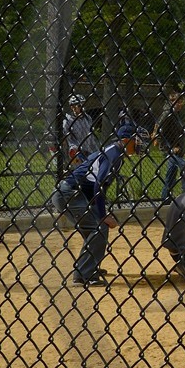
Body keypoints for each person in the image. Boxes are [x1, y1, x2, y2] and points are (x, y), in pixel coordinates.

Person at [59, 122, 148, 285]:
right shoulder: (114, 155)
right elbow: (98, 184)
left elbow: (95, 184)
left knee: (93, 227)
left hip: (76, 194)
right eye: (137, 139)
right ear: (126, 139)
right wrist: (102, 215)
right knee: (98, 226)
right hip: (70, 194)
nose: (140, 143)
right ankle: (84, 275)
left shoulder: (115, 152)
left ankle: (88, 266)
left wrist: (100, 212)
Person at [155, 91, 185, 202]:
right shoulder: (167, 114)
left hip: (177, 149)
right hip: (170, 150)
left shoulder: (175, 114)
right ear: (173, 102)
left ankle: (166, 197)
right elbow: (159, 133)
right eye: (179, 102)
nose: (181, 105)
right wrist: (169, 149)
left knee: (171, 174)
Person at [61, 93, 95, 166]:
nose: (82, 107)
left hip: (88, 150)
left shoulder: (88, 118)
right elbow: (65, 139)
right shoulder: (68, 120)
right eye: (79, 105)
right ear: (72, 107)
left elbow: (91, 136)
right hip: (75, 151)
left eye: (83, 104)